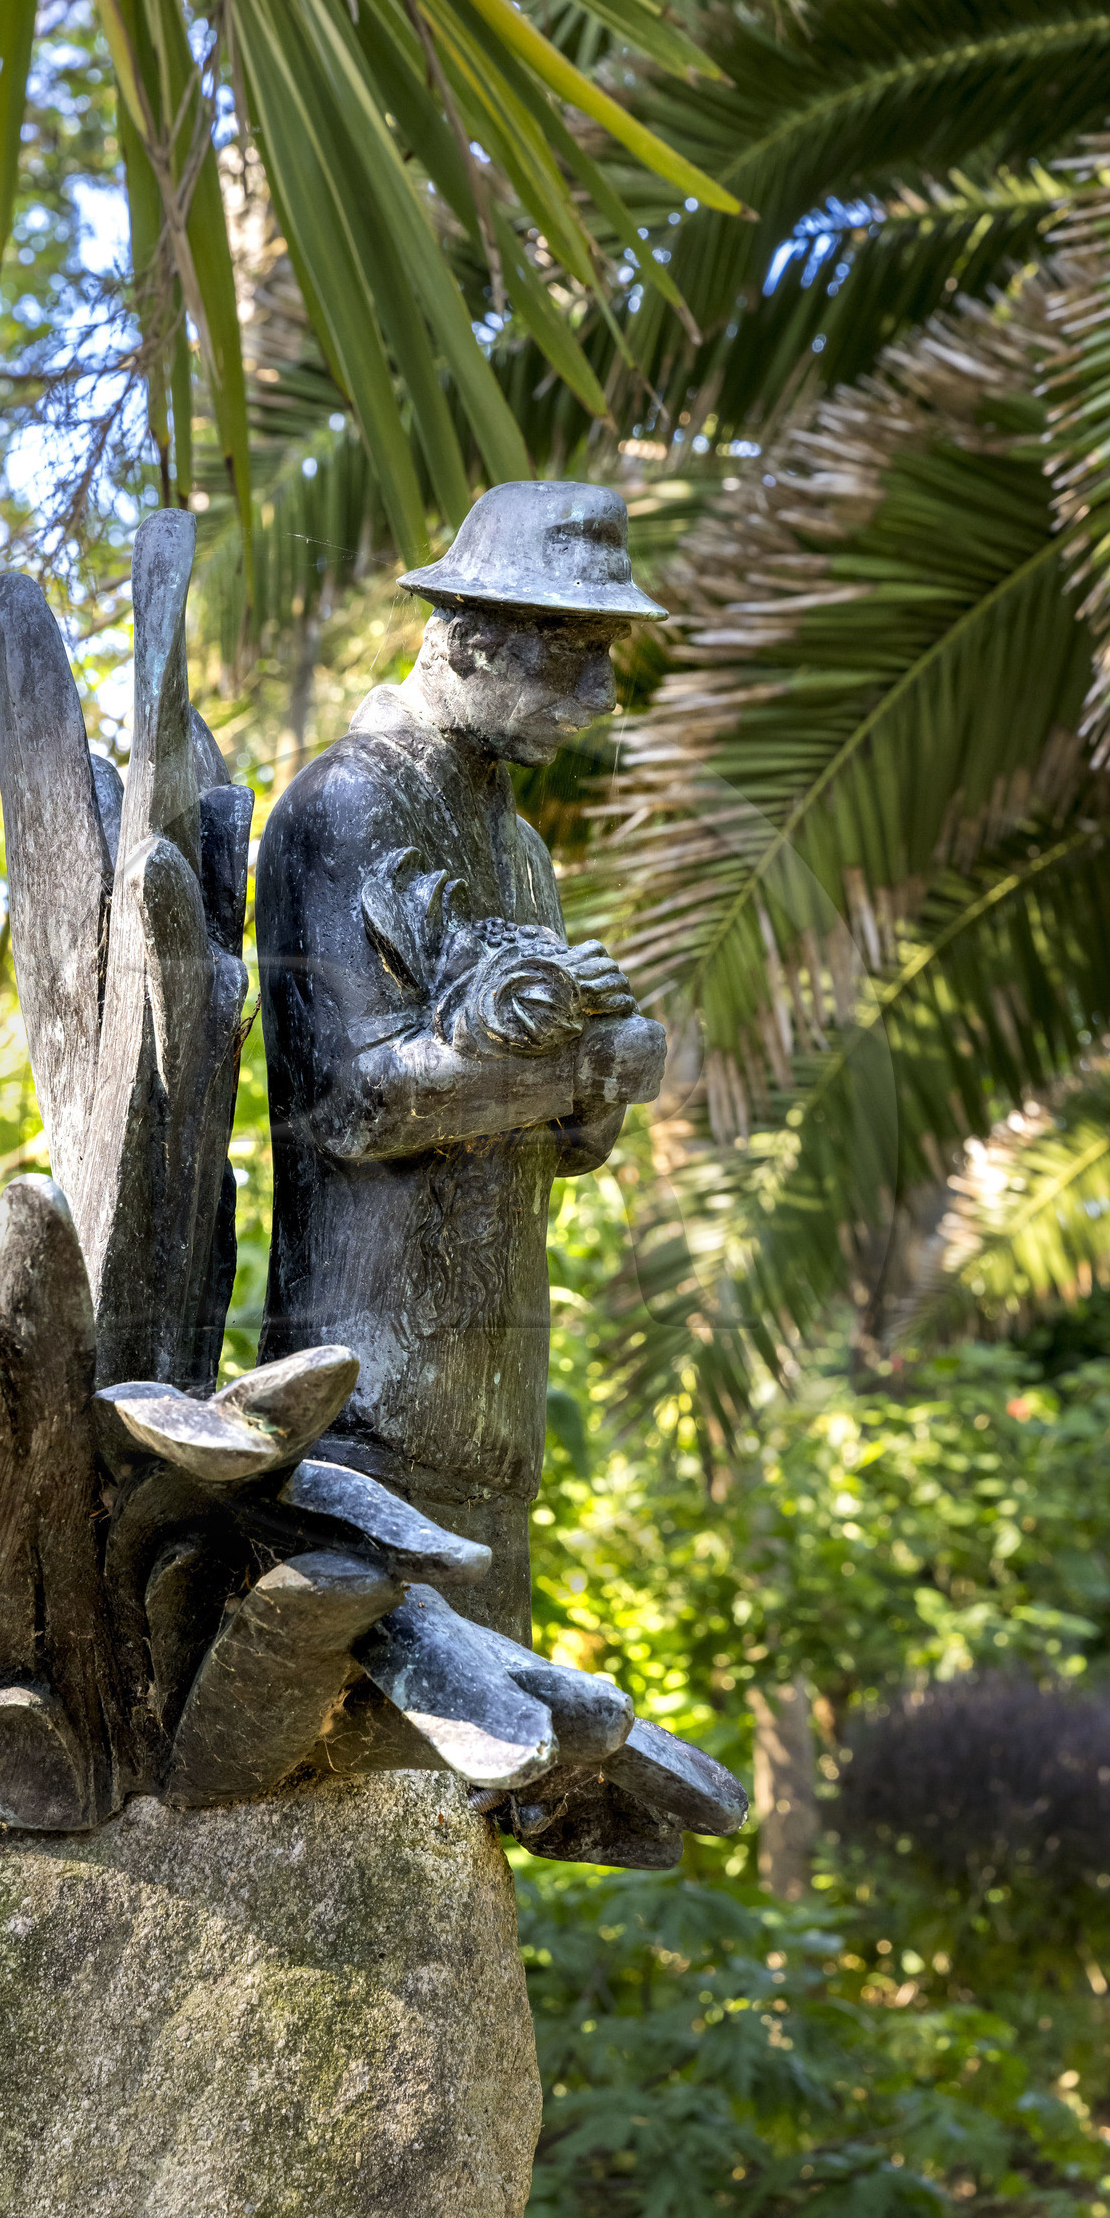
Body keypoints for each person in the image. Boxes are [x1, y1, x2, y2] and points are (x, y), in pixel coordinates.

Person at [256, 481, 667, 1644]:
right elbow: (353, 1102)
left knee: (475, 1792)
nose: (601, 693)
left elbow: (559, 1150)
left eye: (607, 657)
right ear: (471, 640)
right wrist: (580, 1074)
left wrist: (605, 1084)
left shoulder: (518, 848)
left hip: (490, 1411)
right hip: (361, 1406)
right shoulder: (347, 805)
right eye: (573, 653)